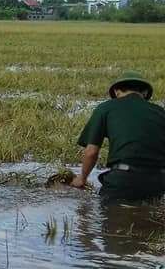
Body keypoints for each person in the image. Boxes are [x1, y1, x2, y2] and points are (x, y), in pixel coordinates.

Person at [71, 71, 165, 201]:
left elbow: (91, 152)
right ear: (144, 93)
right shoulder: (160, 112)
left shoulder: (106, 108)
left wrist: (82, 178)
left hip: (122, 181)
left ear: (116, 91)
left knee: (112, 217)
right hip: (157, 182)